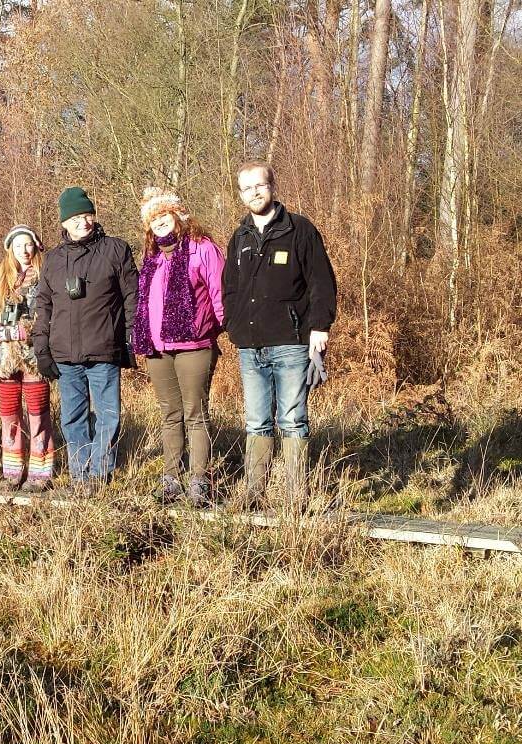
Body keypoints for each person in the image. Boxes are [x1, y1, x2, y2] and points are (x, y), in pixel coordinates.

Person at [222, 161, 337, 510]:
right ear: (240, 194)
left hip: (291, 341)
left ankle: (294, 498)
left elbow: (322, 282)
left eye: (259, 185)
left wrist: (319, 327)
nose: (254, 193)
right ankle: (254, 495)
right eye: (246, 188)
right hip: (250, 345)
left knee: (292, 418)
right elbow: (229, 289)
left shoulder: (300, 230)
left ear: (272, 187)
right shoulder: (239, 237)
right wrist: (234, 324)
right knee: (256, 420)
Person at [32, 187, 138, 488]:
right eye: (76, 217)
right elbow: (44, 306)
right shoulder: (52, 259)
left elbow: (133, 296)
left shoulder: (116, 249)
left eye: (87, 215)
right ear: (64, 223)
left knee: (108, 415)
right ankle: (80, 474)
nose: (83, 222)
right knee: (72, 418)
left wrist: (132, 336)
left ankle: (100, 474)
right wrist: (42, 348)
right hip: (65, 355)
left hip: (104, 350)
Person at [131, 188, 226, 506]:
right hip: (157, 349)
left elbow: (220, 295)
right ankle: (171, 479)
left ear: (177, 215)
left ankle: (200, 480)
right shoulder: (152, 258)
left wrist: (218, 329)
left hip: (194, 346)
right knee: (169, 414)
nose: (158, 222)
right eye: (152, 218)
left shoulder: (202, 248)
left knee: (195, 414)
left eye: (163, 214)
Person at [0, 225, 55, 493]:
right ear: (10, 250)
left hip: (34, 359)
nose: (24, 250)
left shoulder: (47, 277)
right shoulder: (0, 280)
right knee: (9, 416)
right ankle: (12, 471)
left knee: (37, 415)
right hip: (5, 359)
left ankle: (40, 472)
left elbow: (52, 317)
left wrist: (31, 331)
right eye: (18, 246)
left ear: (36, 247)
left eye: (28, 245)